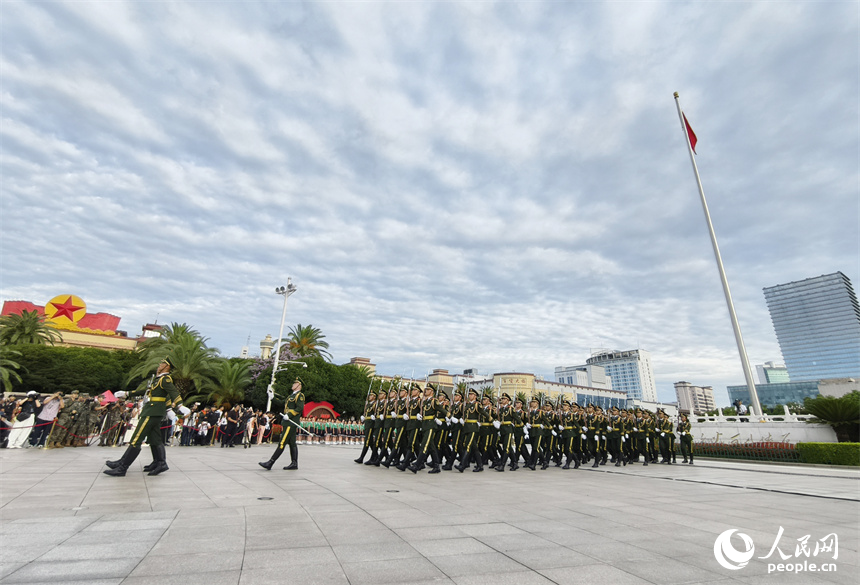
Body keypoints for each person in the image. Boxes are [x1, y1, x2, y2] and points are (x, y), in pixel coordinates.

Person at [104, 357, 188, 476]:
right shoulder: (157, 379)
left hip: (152, 412)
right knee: (155, 439)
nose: (159, 365)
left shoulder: (165, 379)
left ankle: (123, 467)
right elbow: (146, 391)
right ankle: (160, 463)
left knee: (136, 438)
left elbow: (173, 392)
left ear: (167, 367)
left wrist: (179, 406)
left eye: (162, 363)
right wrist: (128, 393)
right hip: (152, 411)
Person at [259, 378, 304, 471]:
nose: (293, 384)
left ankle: (270, 462)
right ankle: (294, 463)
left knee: (282, 442)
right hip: (287, 421)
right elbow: (282, 403)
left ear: (299, 386)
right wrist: (272, 398)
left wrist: (289, 415)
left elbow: (299, 408)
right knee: (292, 443)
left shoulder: (300, 396)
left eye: (295, 383)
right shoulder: (291, 396)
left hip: (291, 422)